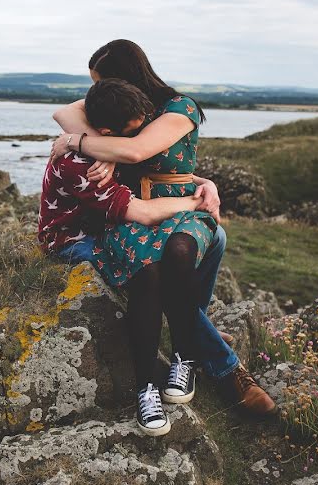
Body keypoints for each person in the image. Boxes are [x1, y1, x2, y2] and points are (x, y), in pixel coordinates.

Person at [39, 80, 211, 435]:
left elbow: (141, 164)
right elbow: (145, 214)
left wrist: (203, 181)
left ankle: (186, 356)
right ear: (106, 132)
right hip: (73, 241)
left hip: (103, 225)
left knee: (165, 259)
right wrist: (198, 200)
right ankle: (145, 389)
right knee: (146, 272)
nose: (142, 138)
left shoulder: (105, 152)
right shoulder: (80, 165)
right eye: (134, 132)